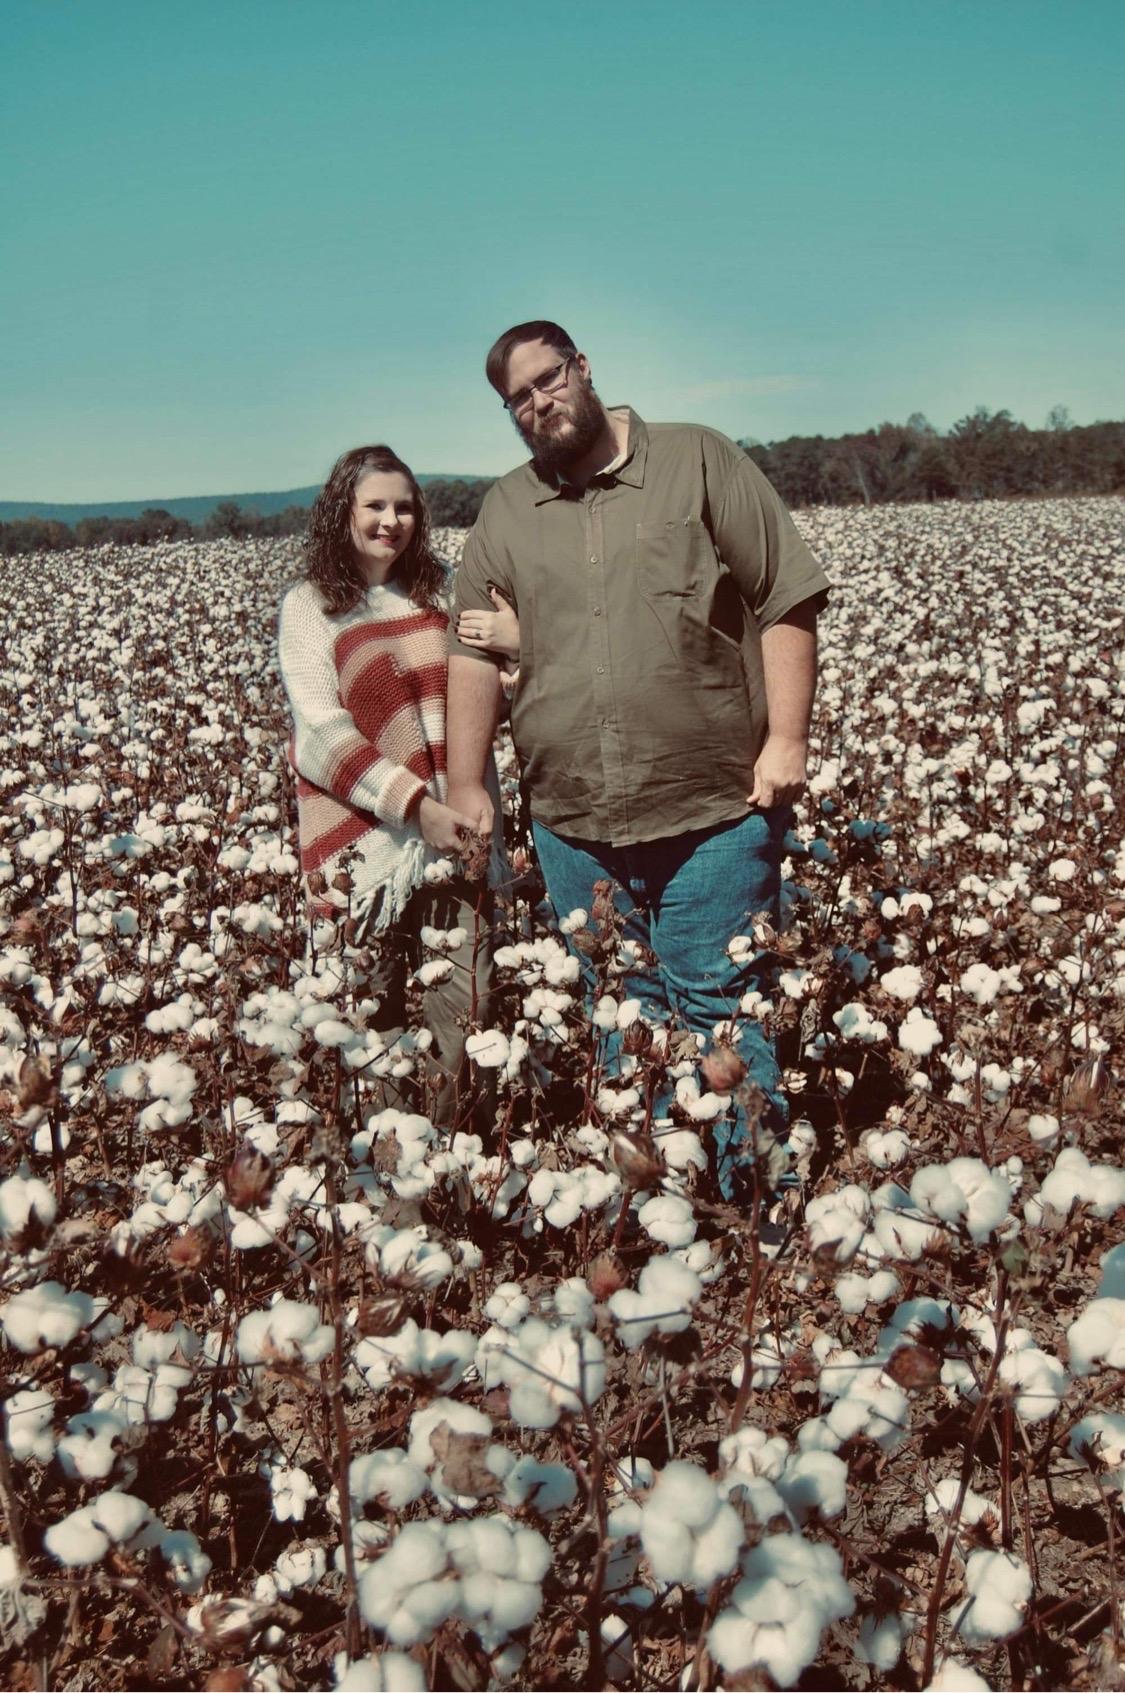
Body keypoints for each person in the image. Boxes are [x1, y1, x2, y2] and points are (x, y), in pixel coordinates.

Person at [448, 323, 831, 1194]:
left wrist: (787, 737)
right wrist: (468, 782)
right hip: (571, 821)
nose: (538, 403)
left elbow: (786, 594)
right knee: (622, 1013)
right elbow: (469, 651)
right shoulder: (507, 508)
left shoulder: (697, 460)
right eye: (517, 399)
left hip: (714, 806)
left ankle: (753, 1204)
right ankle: (664, 1207)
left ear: (582, 368)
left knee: (719, 1004)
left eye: (549, 379)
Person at [277, 444, 518, 1126]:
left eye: (404, 507)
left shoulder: (443, 591)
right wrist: (414, 807)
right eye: (375, 506)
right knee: (368, 1018)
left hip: (457, 831)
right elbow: (320, 735)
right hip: (365, 851)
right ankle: (385, 1164)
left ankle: (456, 1156)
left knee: (465, 1011)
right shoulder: (311, 606)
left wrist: (517, 648)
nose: (391, 521)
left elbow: (492, 689)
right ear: (341, 512)